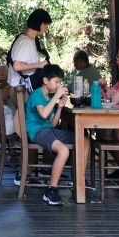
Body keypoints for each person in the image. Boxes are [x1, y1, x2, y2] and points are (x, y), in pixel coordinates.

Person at [25, 63, 72, 206]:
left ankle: (80, 180)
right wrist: (56, 97)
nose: (59, 85)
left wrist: (60, 107)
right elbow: (43, 113)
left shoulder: (50, 96)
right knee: (63, 150)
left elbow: (52, 123)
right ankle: (51, 190)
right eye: (56, 82)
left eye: (60, 82)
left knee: (84, 140)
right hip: (37, 132)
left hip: (48, 130)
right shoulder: (37, 94)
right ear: (46, 80)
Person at [7, 9, 51, 92]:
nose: (46, 28)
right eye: (47, 25)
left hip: (23, 89)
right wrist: (39, 65)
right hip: (22, 92)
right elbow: (17, 66)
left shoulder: (28, 39)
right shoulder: (26, 42)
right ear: (41, 24)